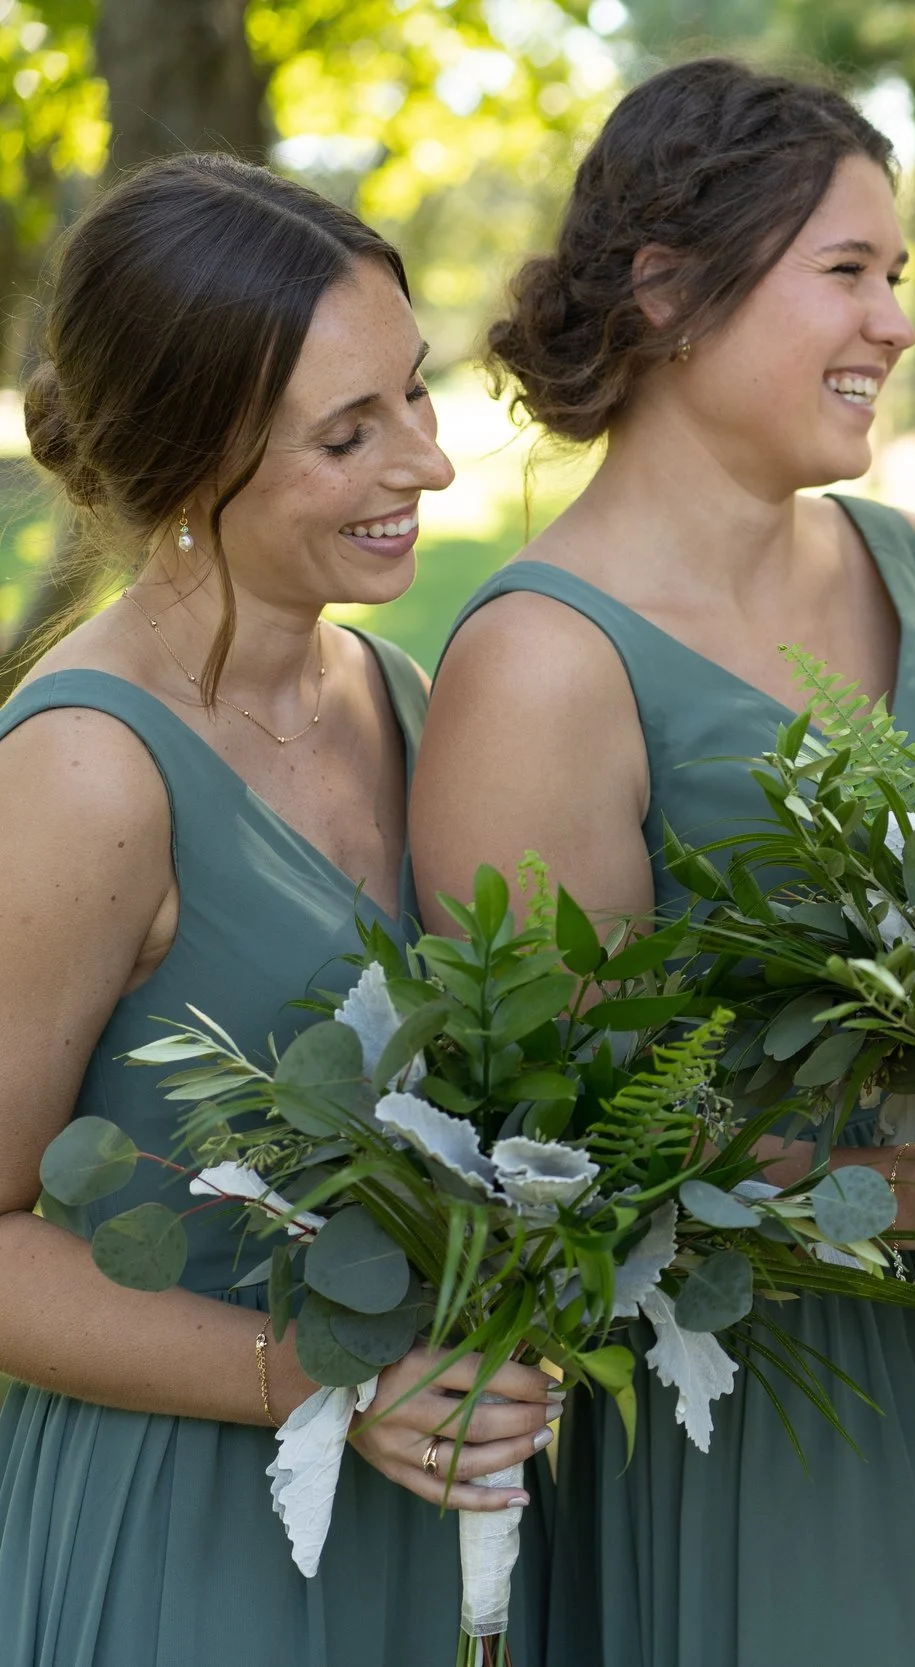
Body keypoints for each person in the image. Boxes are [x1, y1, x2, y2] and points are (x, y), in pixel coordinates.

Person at [408, 59, 915, 1667]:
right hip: (761, 1410)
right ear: (666, 287)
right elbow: (574, 1168)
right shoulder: (542, 662)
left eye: (902, 279)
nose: (892, 323)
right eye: (848, 273)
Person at [0, 154, 556, 1666]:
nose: (429, 465)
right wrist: (321, 1373)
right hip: (188, 1538)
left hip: (423, 1512)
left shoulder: (396, 690)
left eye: (417, 396)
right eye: (347, 433)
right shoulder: (86, 771)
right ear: (194, 461)